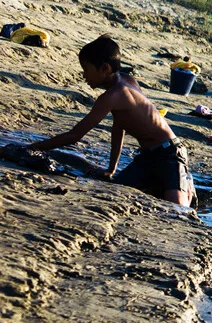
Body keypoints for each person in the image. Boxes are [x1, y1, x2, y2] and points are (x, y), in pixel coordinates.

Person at [27, 34, 196, 206]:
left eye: (86, 69)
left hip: (170, 155)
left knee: (178, 210)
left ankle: (185, 183)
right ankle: (163, 185)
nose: (84, 75)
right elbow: (119, 126)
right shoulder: (126, 81)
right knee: (117, 189)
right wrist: (111, 168)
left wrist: (32, 148)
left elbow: (75, 135)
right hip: (148, 157)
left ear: (105, 69)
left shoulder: (113, 95)